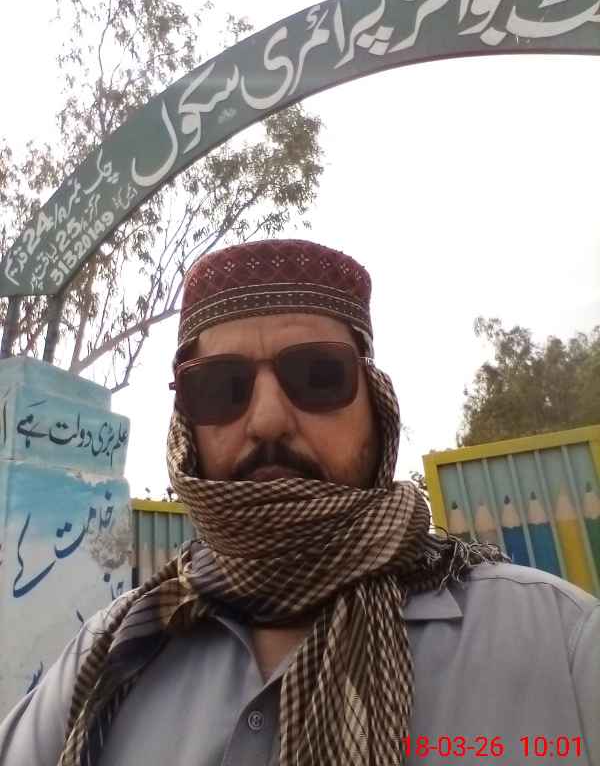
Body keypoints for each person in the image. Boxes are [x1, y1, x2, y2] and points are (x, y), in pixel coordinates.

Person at [1, 238, 598, 766]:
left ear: (377, 407)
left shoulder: (561, 644)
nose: (267, 420)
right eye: (221, 387)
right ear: (188, 424)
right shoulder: (105, 657)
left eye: (317, 375)